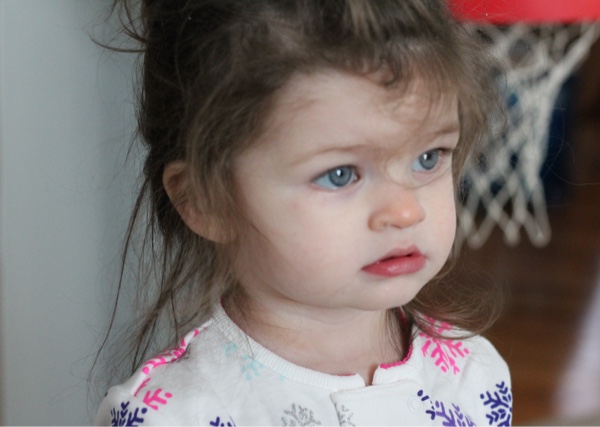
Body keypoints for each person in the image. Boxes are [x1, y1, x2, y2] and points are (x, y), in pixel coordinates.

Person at [94, 0, 512, 425]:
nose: (406, 211)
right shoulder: (172, 416)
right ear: (204, 200)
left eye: (428, 158)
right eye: (339, 174)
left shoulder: (474, 373)